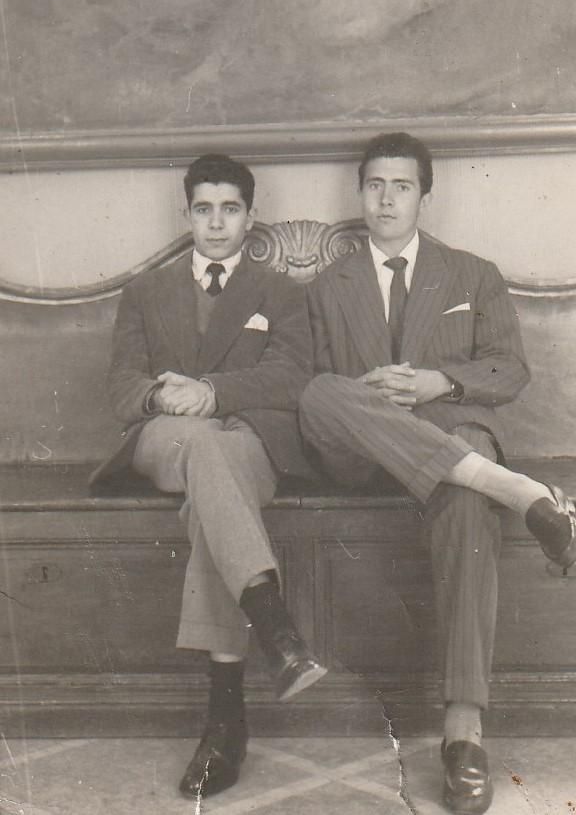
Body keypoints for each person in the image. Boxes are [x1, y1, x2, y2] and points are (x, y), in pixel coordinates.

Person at [299, 132, 575, 815]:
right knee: (318, 395)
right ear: (358, 191)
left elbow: (509, 371)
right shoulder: (325, 288)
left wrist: (436, 382)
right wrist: (365, 391)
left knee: (464, 502)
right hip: (360, 456)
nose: (385, 198)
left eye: (400, 186)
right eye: (374, 185)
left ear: (425, 194)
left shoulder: (472, 274)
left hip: (450, 440)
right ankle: (520, 492)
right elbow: (300, 382)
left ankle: (463, 733)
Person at [92, 154, 326, 800]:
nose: (216, 222)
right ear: (187, 213)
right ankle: (272, 626)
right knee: (200, 447)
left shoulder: (281, 293)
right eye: (204, 208)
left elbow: (292, 377)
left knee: (213, 482)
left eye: (230, 209)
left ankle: (227, 718)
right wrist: (166, 398)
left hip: (248, 439)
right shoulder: (144, 292)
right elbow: (121, 390)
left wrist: (213, 390)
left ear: (251, 217)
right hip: (167, 437)